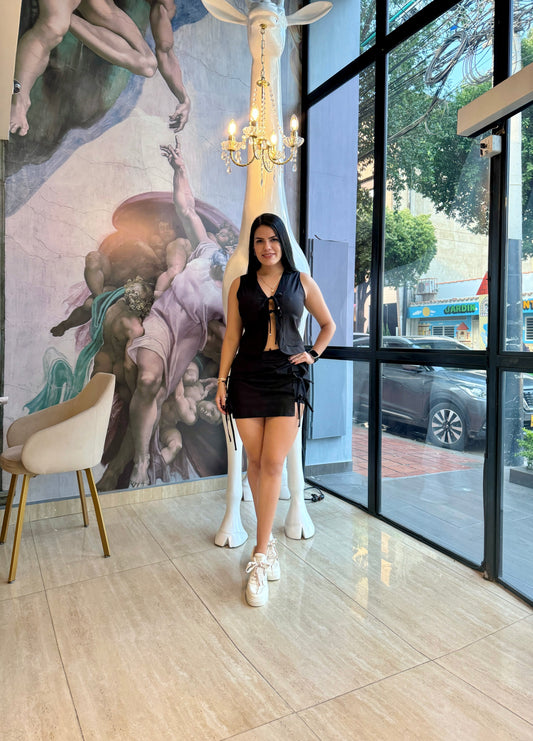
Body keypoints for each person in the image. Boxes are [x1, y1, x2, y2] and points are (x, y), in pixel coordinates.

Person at [215, 213, 336, 607]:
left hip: (287, 377)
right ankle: (267, 544)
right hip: (247, 378)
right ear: (253, 247)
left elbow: (328, 325)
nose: (267, 247)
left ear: (283, 242)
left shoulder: (301, 282)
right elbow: (232, 336)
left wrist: (312, 354)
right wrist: (221, 381)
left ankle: (260, 554)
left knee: (272, 464)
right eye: (259, 241)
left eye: (273, 239)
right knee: (255, 462)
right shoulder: (241, 285)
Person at [126, 139, 230, 487]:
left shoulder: (234, 291)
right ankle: (141, 460)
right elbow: (186, 209)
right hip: (162, 318)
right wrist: (180, 170)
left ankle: (150, 452)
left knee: (158, 394)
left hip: (187, 339)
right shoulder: (208, 251)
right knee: (147, 381)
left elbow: (231, 337)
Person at [10, 0, 190, 137]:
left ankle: (69, 19)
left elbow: (165, 50)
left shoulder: (164, 4)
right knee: (54, 26)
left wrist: (183, 98)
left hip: (98, 4)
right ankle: (18, 96)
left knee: (147, 65)